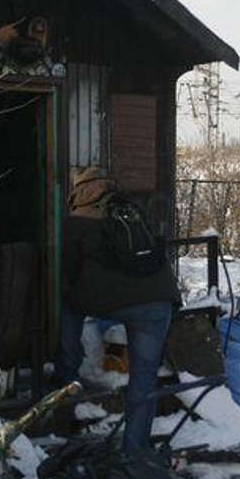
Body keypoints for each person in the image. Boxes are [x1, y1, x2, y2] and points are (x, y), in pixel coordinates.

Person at [56, 167, 181, 459]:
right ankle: (134, 450)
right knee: (144, 378)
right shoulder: (132, 208)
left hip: (109, 300)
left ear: (78, 192)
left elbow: (70, 274)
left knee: (69, 306)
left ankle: (66, 381)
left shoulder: (76, 220)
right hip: (159, 299)